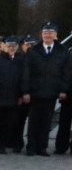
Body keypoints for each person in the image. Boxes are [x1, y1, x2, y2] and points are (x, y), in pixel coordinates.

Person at [22, 22, 67, 156]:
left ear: (56, 34)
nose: (48, 35)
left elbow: (66, 72)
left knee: (46, 121)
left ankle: (42, 147)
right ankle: (31, 147)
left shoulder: (62, 51)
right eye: (45, 32)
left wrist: (63, 89)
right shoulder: (33, 50)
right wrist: (25, 91)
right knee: (33, 120)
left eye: (51, 32)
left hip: (52, 91)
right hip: (35, 91)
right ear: (42, 34)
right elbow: (26, 72)